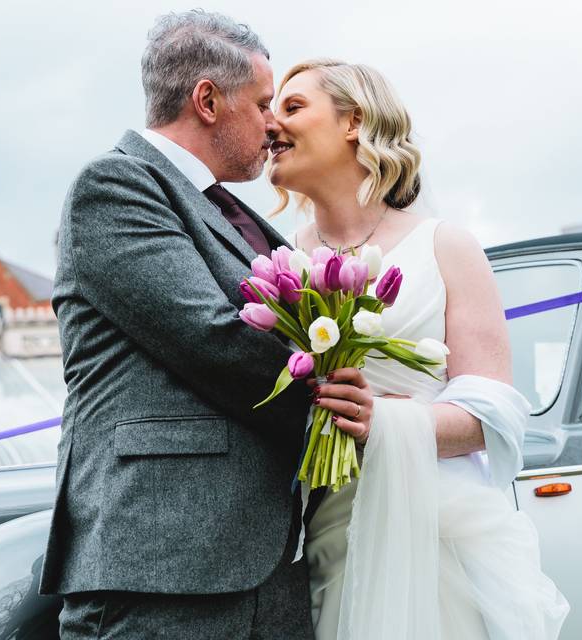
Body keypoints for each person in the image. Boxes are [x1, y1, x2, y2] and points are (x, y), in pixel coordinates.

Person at [38, 14, 374, 639]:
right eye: (264, 103)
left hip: (270, 565)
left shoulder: (232, 211)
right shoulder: (114, 186)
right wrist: (348, 412)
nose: (274, 123)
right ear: (208, 100)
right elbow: (214, 339)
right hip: (163, 566)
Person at [269, 59, 571, 639]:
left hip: (436, 529)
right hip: (325, 531)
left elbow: (493, 414)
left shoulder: (446, 247)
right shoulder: (280, 261)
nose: (269, 125)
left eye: (293, 107)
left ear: (353, 121)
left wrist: (382, 420)